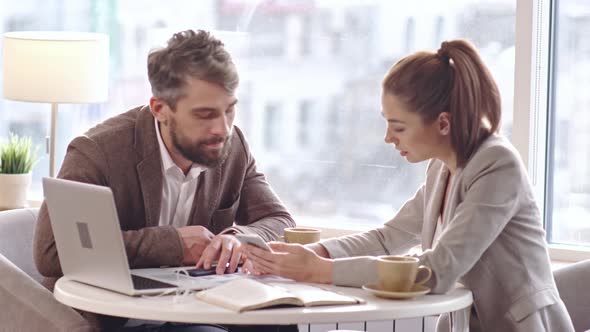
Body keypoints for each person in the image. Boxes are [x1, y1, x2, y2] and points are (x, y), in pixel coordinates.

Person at [244, 39, 575, 332]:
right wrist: (316, 252)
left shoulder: (497, 165)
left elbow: (438, 271)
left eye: (398, 127)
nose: (388, 138)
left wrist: (321, 271)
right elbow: (389, 238)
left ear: (443, 123)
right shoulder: (442, 168)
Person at [33, 29, 296, 332]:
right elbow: (50, 251)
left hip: (193, 310)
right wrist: (172, 244)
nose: (222, 128)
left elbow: (280, 220)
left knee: (279, 320)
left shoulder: (232, 145)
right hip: (112, 319)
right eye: (205, 114)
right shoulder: (98, 151)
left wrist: (239, 238)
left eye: (229, 109)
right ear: (160, 109)